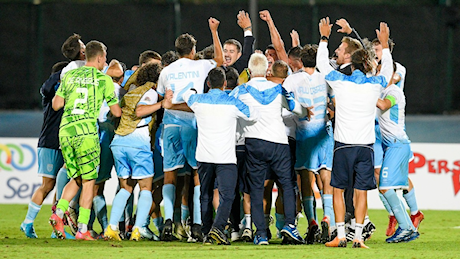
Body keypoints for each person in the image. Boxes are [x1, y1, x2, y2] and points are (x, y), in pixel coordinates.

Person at [317, 18, 393, 249]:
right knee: (361, 193)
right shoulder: (375, 84)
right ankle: (358, 237)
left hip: (343, 146)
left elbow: (322, 64)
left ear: (352, 63)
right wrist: (385, 46)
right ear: (368, 64)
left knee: (338, 191)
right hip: (366, 147)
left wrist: (324, 38)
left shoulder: (341, 82)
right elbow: (387, 70)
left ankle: (340, 235)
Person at [156, 17, 224, 242]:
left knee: (170, 175)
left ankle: (168, 223)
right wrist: (214, 31)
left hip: (171, 124)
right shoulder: (201, 64)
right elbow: (221, 60)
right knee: (196, 174)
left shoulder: (166, 71)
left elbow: (161, 95)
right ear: (193, 50)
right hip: (193, 123)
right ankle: (196, 225)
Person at [230, 53, 309, 245]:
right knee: (288, 185)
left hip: (254, 143)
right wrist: (307, 110)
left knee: (256, 189)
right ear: (267, 70)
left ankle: (261, 234)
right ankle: (290, 225)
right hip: (278, 143)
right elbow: (296, 109)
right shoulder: (277, 89)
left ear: (248, 71)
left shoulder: (240, 91)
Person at [174, 67, 259, 245]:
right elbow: (252, 115)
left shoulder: (198, 101)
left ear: (208, 83)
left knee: (204, 195)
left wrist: (193, 88)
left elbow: (185, 93)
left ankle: (207, 232)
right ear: (225, 84)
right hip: (225, 157)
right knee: (227, 195)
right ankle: (218, 229)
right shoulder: (232, 102)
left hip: (204, 156)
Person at [49, 40, 122, 240]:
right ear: (99, 58)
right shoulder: (103, 79)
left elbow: (56, 105)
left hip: (65, 132)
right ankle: (82, 229)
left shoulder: (69, 75)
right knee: (89, 182)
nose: (104, 62)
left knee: (77, 178)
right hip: (86, 133)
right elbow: (115, 111)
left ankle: (58, 212)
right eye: (104, 59)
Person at [105, 63, 164, 241]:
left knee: (126, 188)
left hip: (119, 142)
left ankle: (112, 227)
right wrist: (162, 103)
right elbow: (140, 110)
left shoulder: (131, 92)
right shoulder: (151, 92)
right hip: (137, 141)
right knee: (146, 187)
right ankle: (138, 229)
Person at [283, 44, 335, 244]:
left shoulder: (292, 80)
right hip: (324, 132)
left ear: (301, 61)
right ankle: (328, 218)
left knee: (306, 178)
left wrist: (300, 110)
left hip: (304, 134)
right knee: (326, 174)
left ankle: (312, 221)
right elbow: (333, 103)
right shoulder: (326, 78)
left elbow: (284, 102)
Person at [372, 38, 424, 236]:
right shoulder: (374, 70)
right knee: (380, 175)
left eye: (377, 49)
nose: (373, 53)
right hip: (376, 130)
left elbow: (390, 81)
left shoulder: (396, 69)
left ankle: (414, 213)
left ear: (386, 51)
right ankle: (395, 215)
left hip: (391, 124)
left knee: (393, 180)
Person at [20, 61, 69, 239]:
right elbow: (46, 88)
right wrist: (61, 74)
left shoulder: (68, 92)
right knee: (47, 185)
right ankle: (27, 222)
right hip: (49, 141)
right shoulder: (51, 91)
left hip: (66, 141)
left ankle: (58, 228)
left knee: (62, 187)